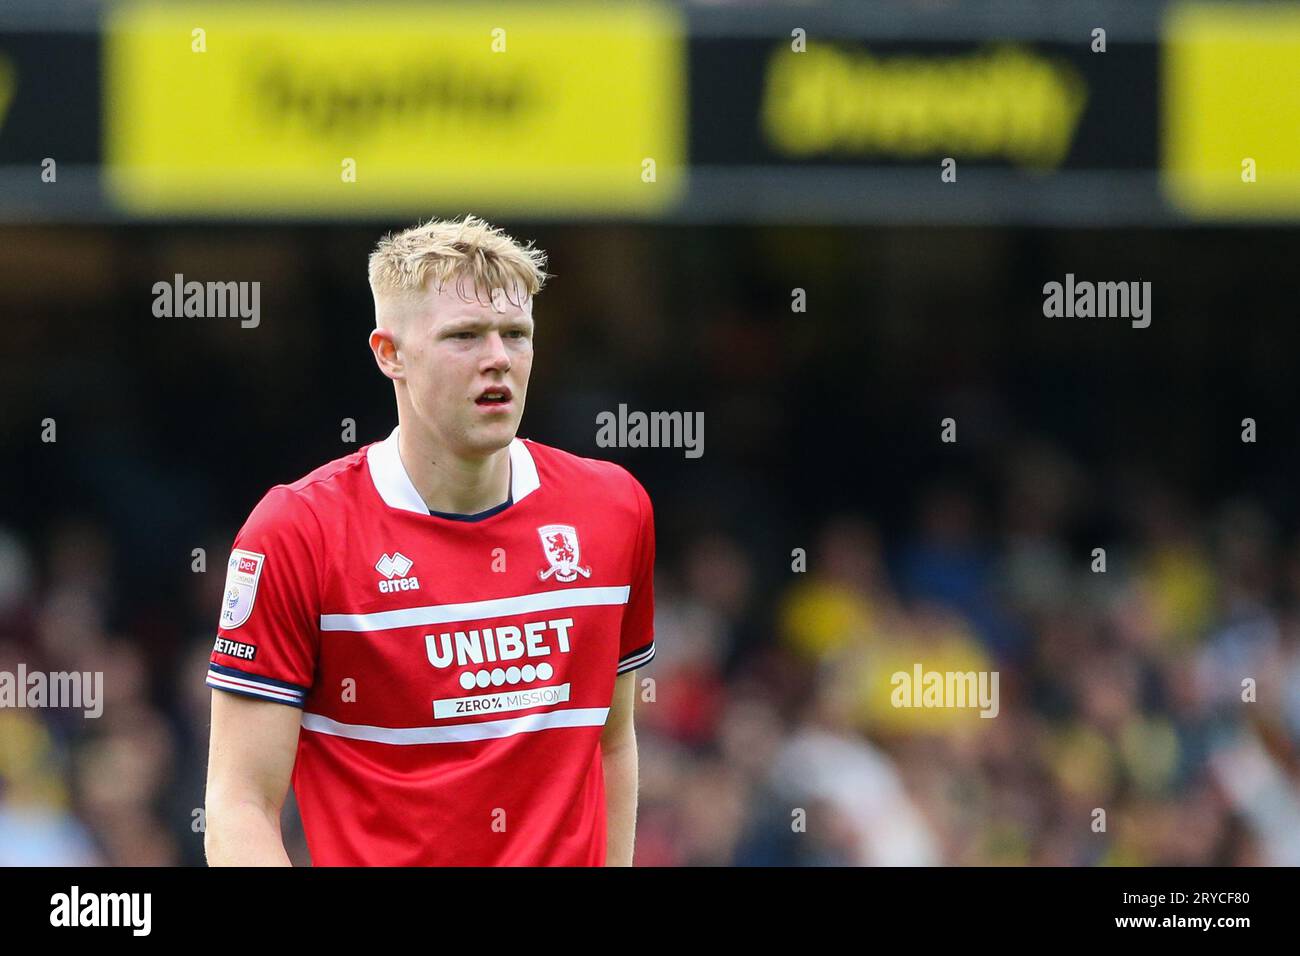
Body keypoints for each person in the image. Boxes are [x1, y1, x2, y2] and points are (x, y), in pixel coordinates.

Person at [203, 215, 656, 865]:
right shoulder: (295, 533)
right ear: (390, 354)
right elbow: (238, 801)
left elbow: (611, 742)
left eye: (516, 334)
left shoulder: (615, 510)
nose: (498, 358)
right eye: (465, 336)